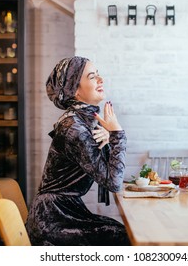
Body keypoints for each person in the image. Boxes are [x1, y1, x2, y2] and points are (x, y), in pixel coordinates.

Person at [26, 56, 130, 245]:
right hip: (52, 220)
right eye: (92, 76)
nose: (101, 79)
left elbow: (106, 172)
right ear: (75, 91)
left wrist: (109, 138)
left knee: (120, 233)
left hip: (65, 211)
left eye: (98, 74)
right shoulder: (74, 128)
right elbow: (113, 182)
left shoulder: (80, 122)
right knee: (121, 236)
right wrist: (117, 134)